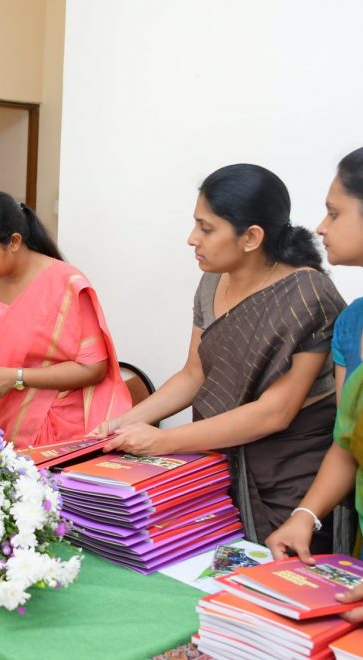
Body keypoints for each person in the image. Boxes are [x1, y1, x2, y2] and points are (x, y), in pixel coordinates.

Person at [94, 164, 346, 549]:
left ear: (251, 237)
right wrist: (124, 422)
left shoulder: (308, 296)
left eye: (206, 228)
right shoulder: (212, 279)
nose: (192, 239)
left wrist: (164, 441)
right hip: (220, 462)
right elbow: (193, 375)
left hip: (289, 477)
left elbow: (275, 411)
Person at [0, 190, 132, 448]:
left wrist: (17, 377)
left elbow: (93, 368)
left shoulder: (65, 285)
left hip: (62, 428)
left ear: (14, 241)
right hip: (5, 426)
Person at [266, 147, 363, 622]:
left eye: (334, 213)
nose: (321, 228)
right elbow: (348, 444)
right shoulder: (352, 324)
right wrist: (304, 516)